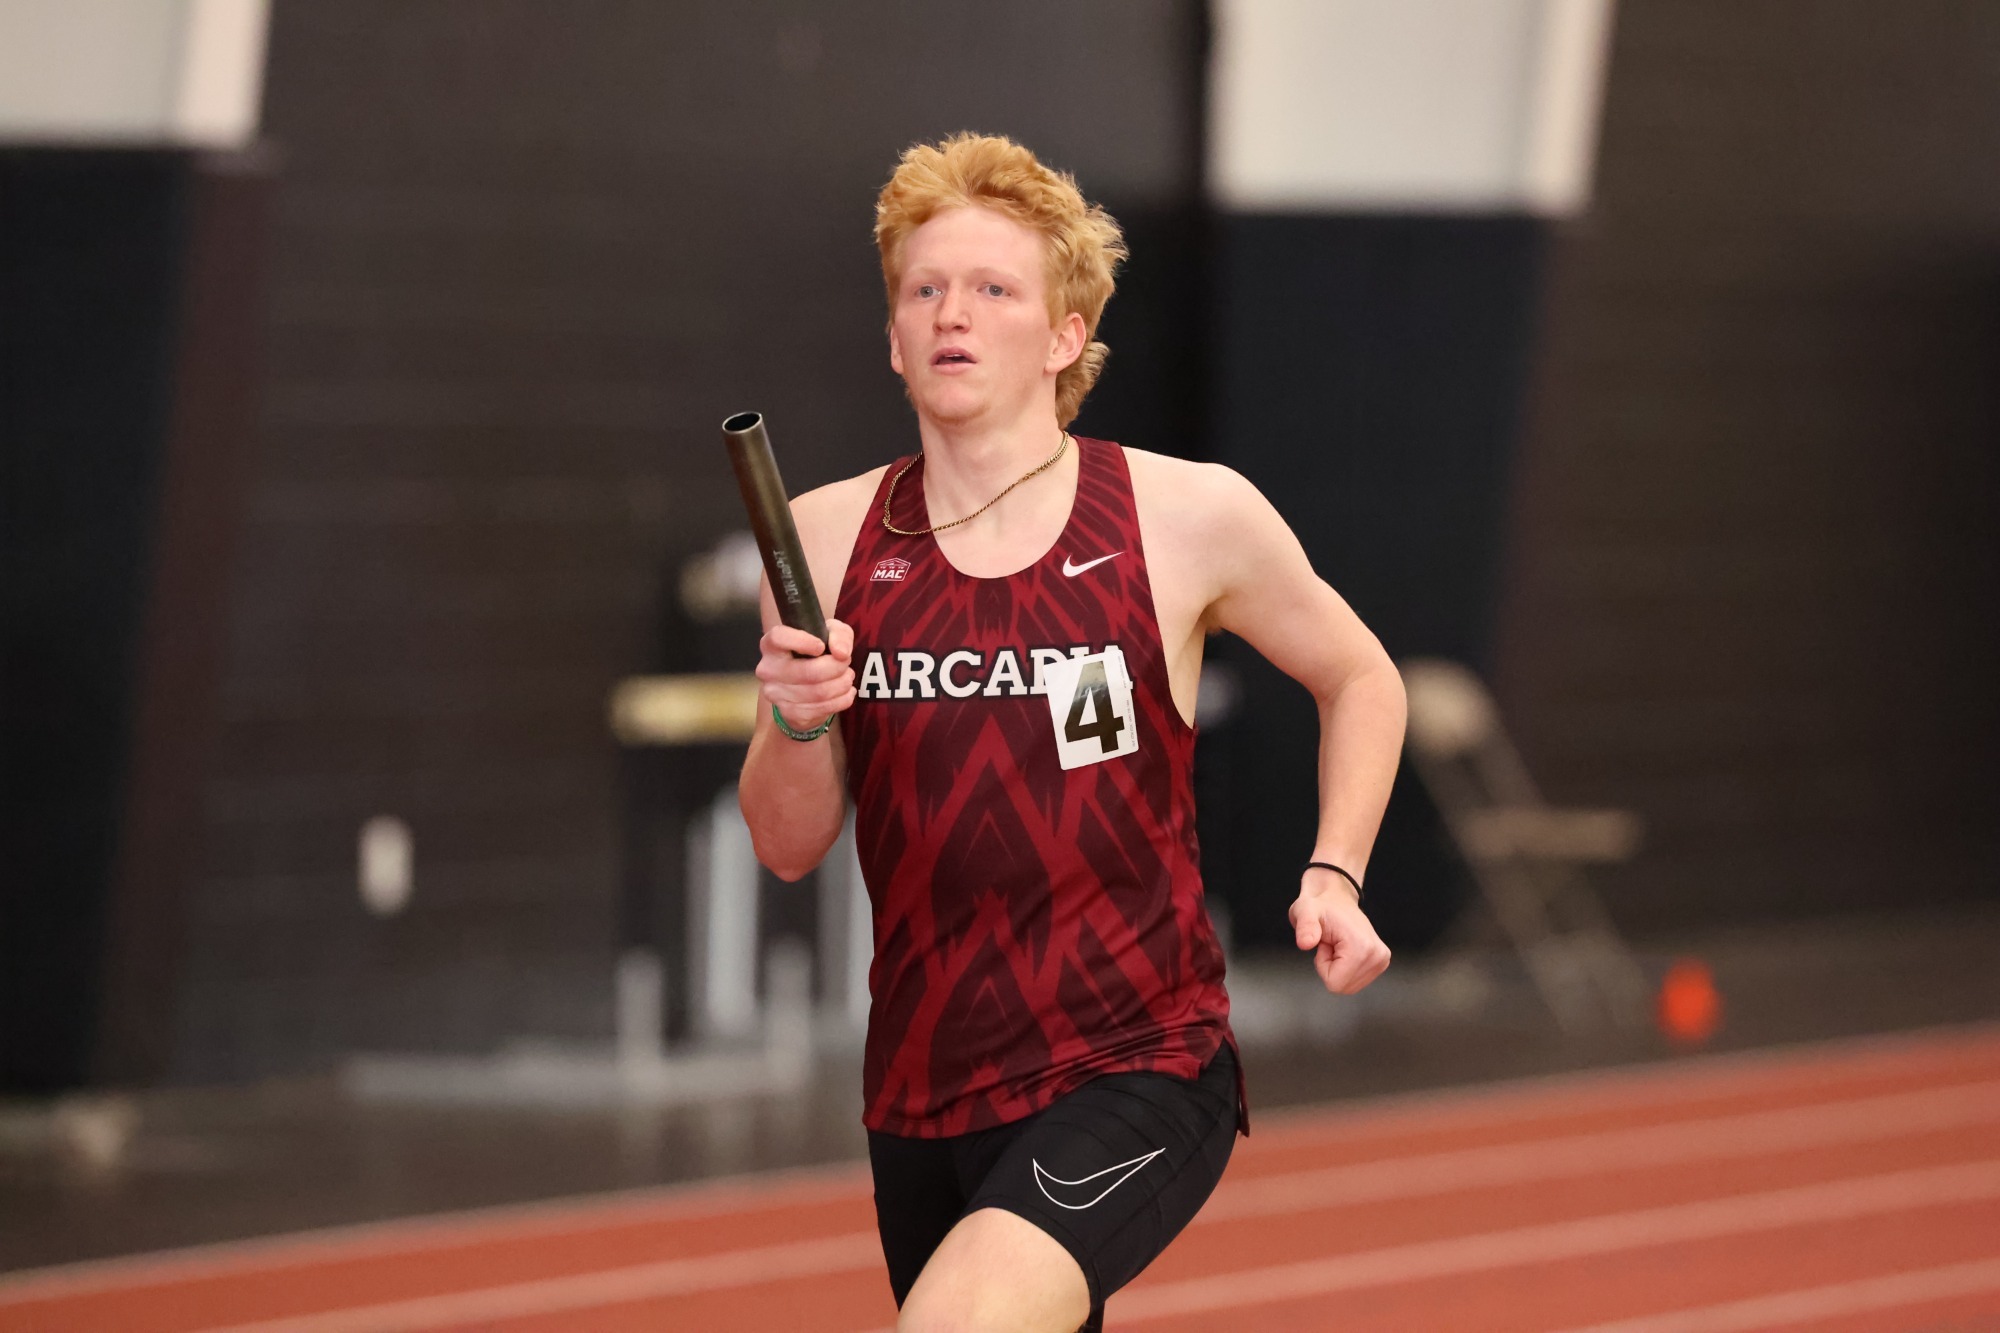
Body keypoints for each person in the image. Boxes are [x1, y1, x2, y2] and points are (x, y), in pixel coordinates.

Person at [737, 133, 1405, 1333]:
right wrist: (792, 716)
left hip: (1132, 1055)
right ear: (892, 337)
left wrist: (1335, 868)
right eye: (923, 290)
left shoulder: (1184, 513)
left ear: (1061, 335)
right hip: (917, 1091)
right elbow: (788, 846)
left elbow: (1360, 677)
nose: (952, 314)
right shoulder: (824, 539)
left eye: (993, 289)